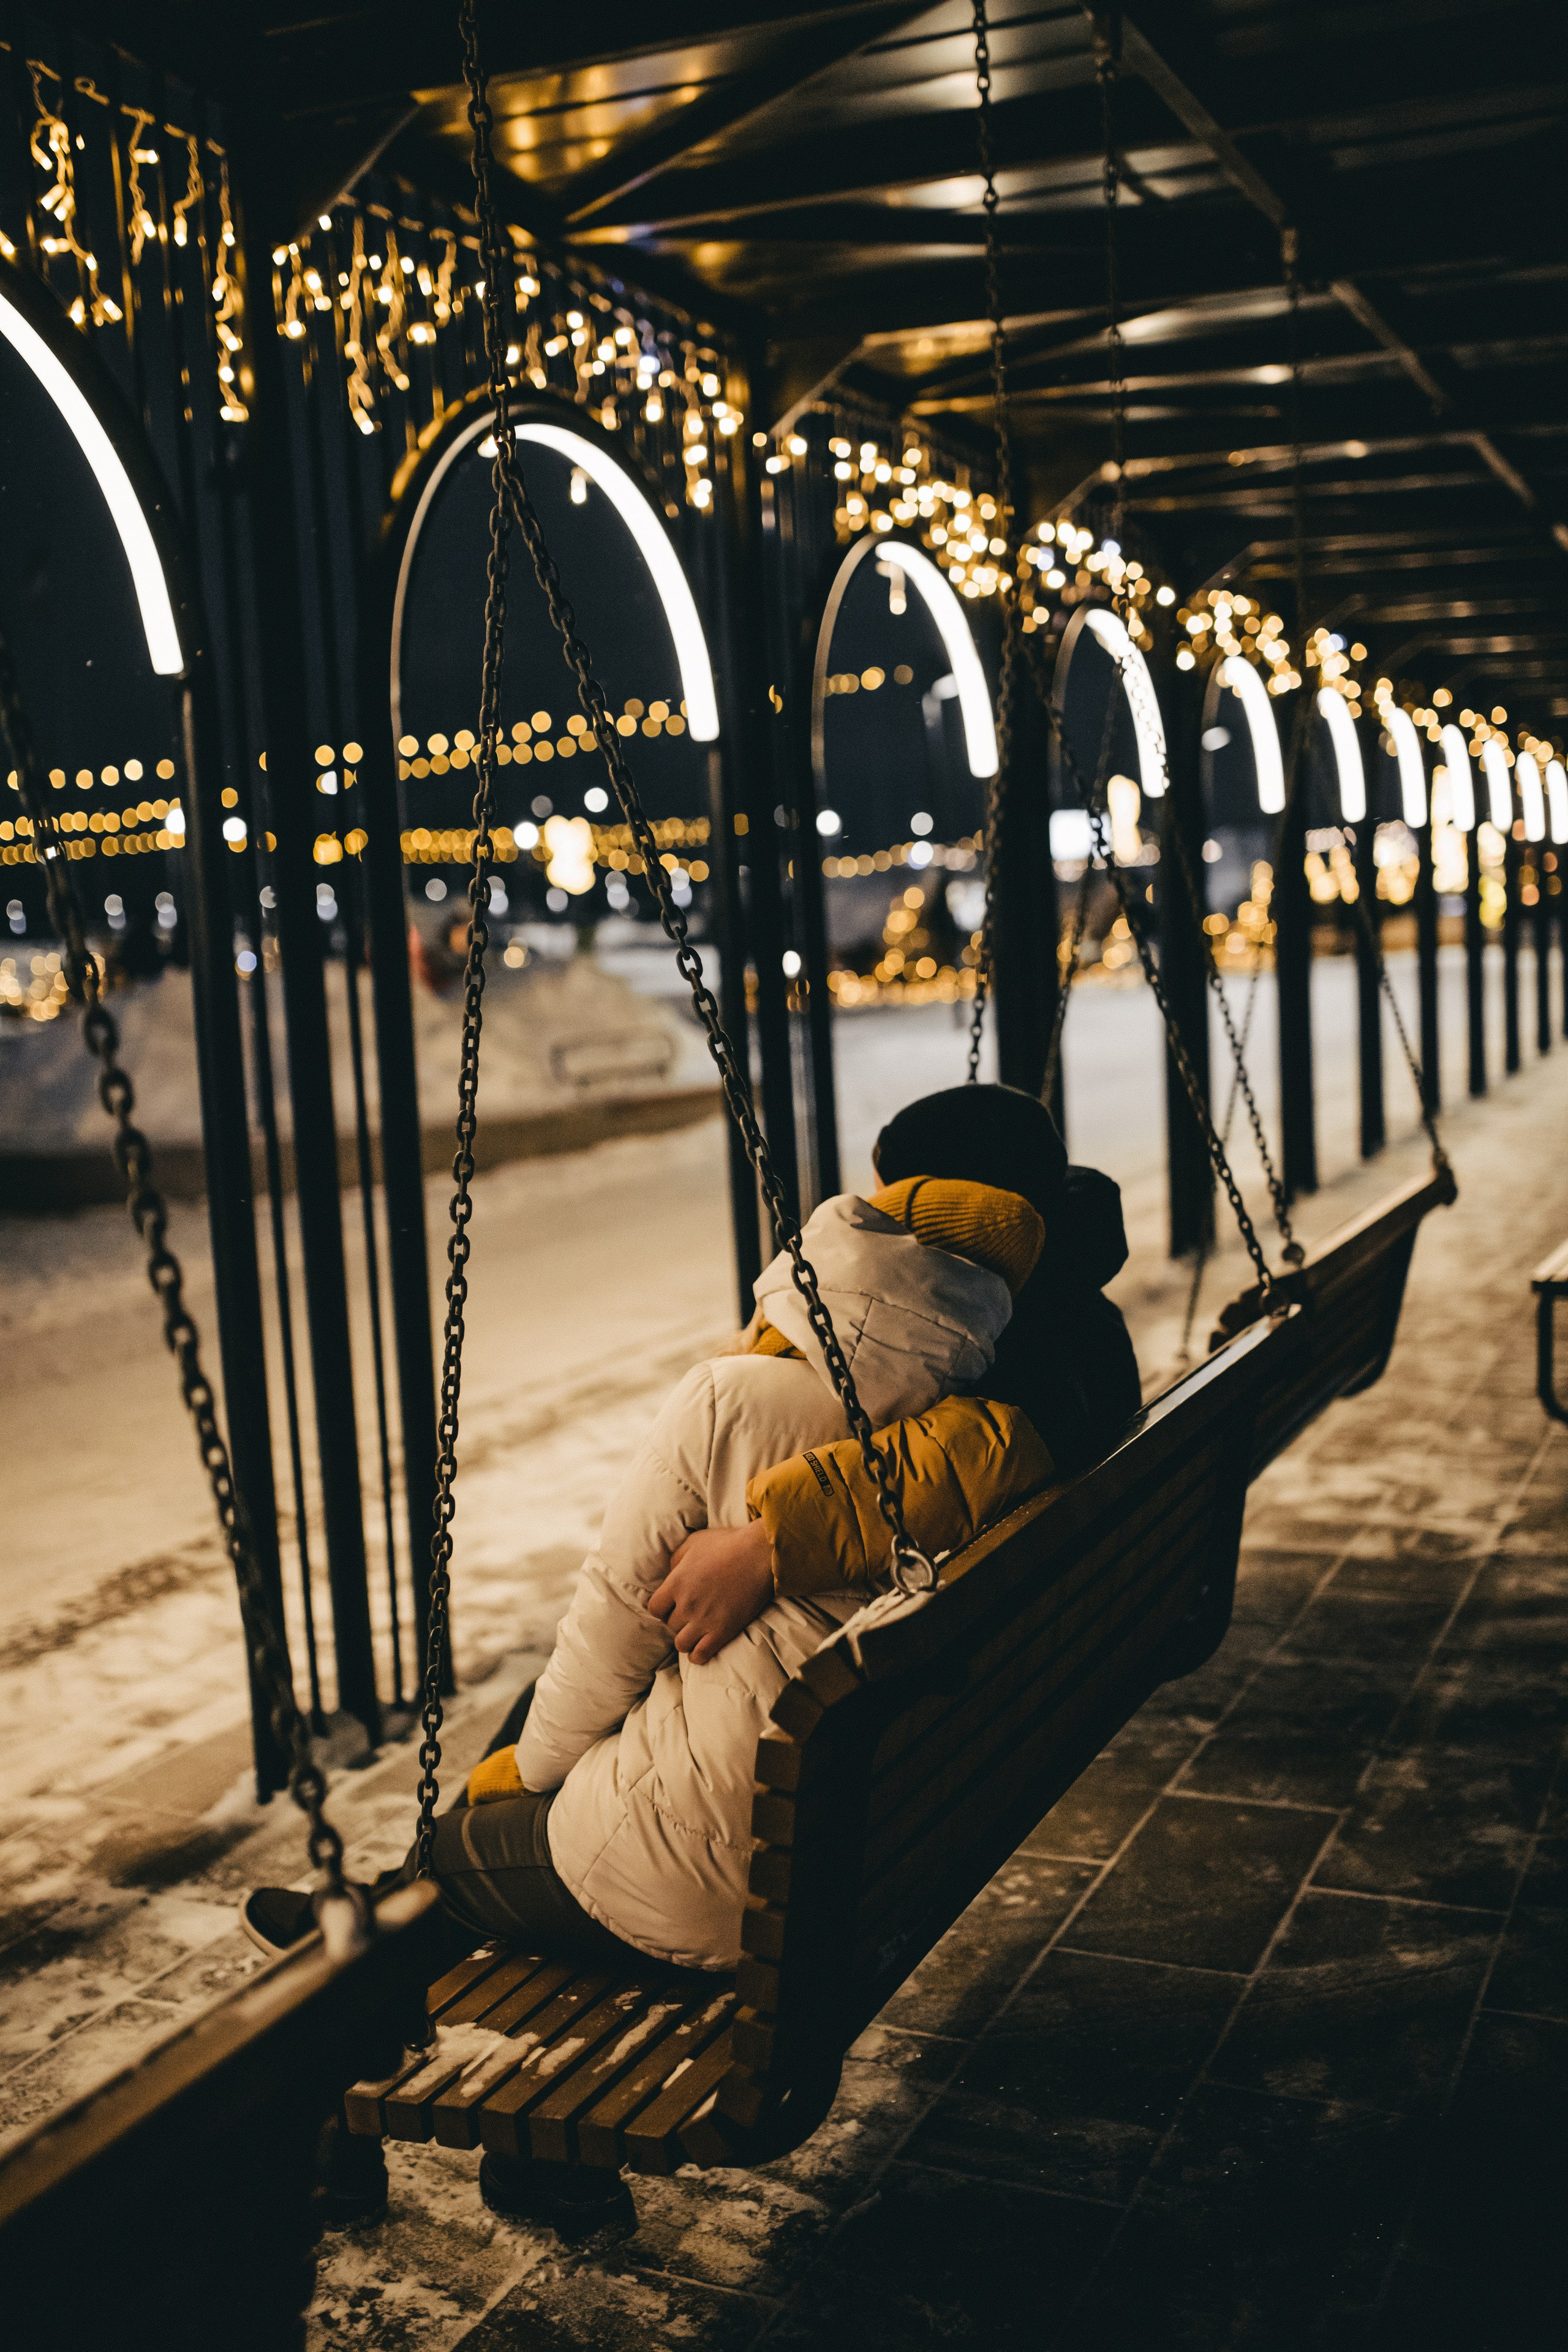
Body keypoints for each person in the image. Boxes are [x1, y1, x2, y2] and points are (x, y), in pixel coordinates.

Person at [241, 1167, 1054, 1981]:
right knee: (535, 1727)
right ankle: (424, 1881)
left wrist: (525, 1783)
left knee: (457, 1854)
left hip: (707, 1868)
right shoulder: (975, 1432)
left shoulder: (732, 1400)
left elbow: (615, 1625)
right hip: (853, 1847)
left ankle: (364, 1948)